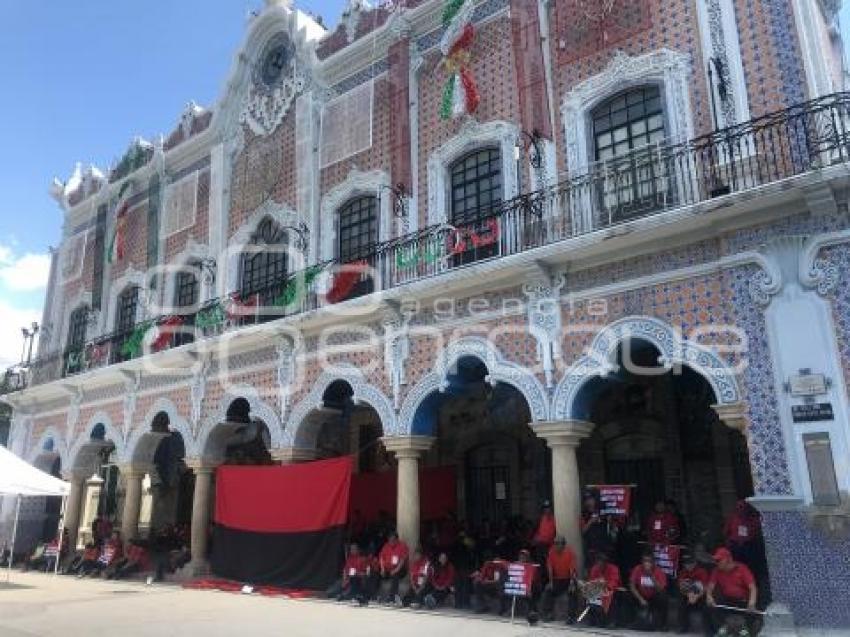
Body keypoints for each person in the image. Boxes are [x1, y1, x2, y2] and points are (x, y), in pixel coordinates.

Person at [706, 548, 759, 635]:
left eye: (719, 560)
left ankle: (744, 631)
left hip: (743, 601)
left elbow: (752, 588)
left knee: (755, 616)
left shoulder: (742, 569)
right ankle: (722, 629)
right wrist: (709, 597)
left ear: (728, 559)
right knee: (710, 607)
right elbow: (710, 587)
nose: (716, 562)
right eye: (716, 560)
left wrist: (751, 603)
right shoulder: (716, 570)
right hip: (727, 600)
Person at [541, 536, 578, 624]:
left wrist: (572, 583)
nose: (555, 545)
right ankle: (548, 614)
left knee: (573, 592)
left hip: (569, 578)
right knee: (547, 590)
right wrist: (550, 582)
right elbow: (550, 568)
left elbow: (572, 569)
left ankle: (571, 617)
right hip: (557, 579)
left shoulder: (570, 553)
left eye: (558, 543)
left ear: (563, 545)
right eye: (555, 543)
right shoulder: (551, 552)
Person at [628, 553, 669, 631]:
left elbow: (660, 589)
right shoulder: (638, 569)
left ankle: (663, 624)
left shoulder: (659, 571)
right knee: (628, 595)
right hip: (641, 596)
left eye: (649, 561)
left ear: (653, 562)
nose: (646, 563)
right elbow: (632, 585)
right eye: (645, 561)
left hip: (654, 597)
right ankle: (631, 621)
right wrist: (641, 599)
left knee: (664, 596)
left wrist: (652, 577)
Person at [583, 552, 621, 628]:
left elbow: (614, 582)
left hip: (611, 589)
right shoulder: (595, 568)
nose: (600, 564)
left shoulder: (613, 568)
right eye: (598, 562)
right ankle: (592, 619)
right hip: (599, 590)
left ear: (605, 562)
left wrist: (606, 585)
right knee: (587, 594)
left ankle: (612, 621)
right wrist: (593, 586)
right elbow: (591, 581)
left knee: (612, 597)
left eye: (602, 562)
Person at [677, 552, 709, 634]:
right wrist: (688, 596)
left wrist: (696, 597)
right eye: (687, 564)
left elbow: (705, 588)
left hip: (700, 595)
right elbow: (681, 587)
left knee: (707, 606)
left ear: (695, 563)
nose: (689, 565)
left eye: (691, 563)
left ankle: (707, 629)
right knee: (681, 603)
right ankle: (683, 627)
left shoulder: (702, 571)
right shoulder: (682, 572)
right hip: (688, 595)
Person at [377, 531, 409, 604]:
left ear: (397, 539)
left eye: (393, 539)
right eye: (390, 539)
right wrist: (382, 569)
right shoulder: (386, 546)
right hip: (388, 568)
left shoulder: (402, 546)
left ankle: (392, 597)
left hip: (400, 568)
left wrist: (396, 570)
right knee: (376, 573)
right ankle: (375, 596)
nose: (391, 541)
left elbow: (402, 560)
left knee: (395, 575)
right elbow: (381, 558)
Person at [581, 495, 611, 563]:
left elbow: (610, 525)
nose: (589, 502)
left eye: (591, 500)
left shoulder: (602, 510)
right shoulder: (584, 514)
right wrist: (590, 521)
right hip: (591, 547)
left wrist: (609, 520)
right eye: (587, 500)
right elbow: (583, 531)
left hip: (603, 546)